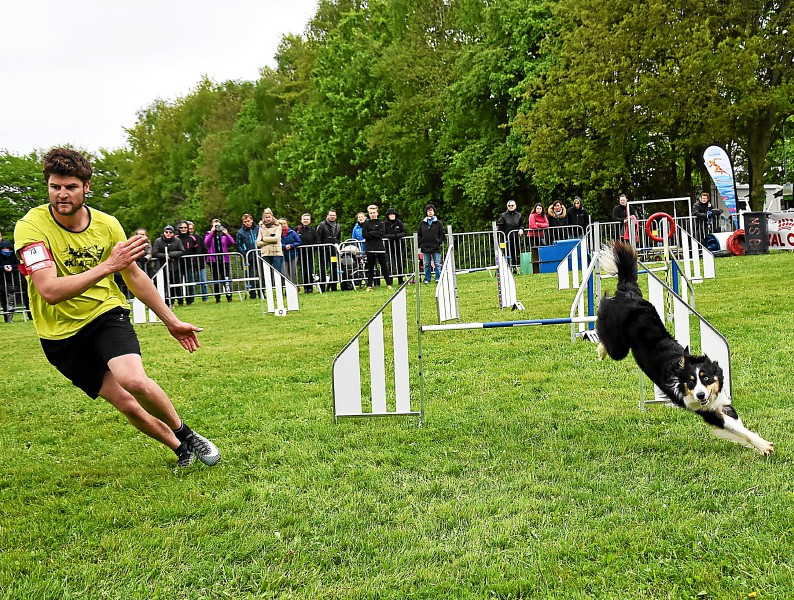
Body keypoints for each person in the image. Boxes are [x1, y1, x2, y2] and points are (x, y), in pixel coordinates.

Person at [13, 147, 219, 469]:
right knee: (126, 403)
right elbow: (50, 291)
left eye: (70, 187)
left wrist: (171, 321)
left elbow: (133, 276)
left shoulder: (108, 225)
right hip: (58, 334)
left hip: (105, 313)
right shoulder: (31, 227)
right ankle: (181, 449)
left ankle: (187, 433)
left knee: (133, 380)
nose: (62, 195)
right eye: (55, 187)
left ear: (86, 187)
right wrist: (108, 266)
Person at [151, 225, 185, 307]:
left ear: (173, 233)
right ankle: (165, 302)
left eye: (170, 232)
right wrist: (165, 256)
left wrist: (171, 255)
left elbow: (182, 251)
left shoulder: (177, 240)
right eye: (166, 232)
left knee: (176, 284)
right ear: (163, 232)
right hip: (162, 267)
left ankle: (180, 301)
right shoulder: (158, 241)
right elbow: (155, 253)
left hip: (175, 266)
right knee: (163, 285)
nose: (168, 234)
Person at [362, 205, 393, 291]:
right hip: (370, 248)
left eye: (374, 213)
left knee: (384, 266)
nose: (372, 214)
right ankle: (369, 285)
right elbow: (365, 235)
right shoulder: (366, 224)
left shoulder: (381, 223)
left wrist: (371, 233)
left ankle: (388, 283)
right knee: (370, 268)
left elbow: (381, 233)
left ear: (377, 213)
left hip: (380, 248)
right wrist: (375, 233)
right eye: (371, 213)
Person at [204, 218, 235, 303]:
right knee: (216, 279)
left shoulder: (224, 236)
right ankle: (217, 297)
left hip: (224, 260)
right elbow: (206, 243)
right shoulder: (208, 235)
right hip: (213, 261)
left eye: (218, 225)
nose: (217, 227)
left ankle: (229, 295)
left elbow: (232, 242)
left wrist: (227, 234)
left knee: (226, 278)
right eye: (215, 225)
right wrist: (212, 232)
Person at [417, 204, 444, 284]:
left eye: (431, 210)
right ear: (426, 212)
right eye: (428, 210)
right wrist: (421, 242)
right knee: (426, 264)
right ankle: (427, 279)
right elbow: (419, 234)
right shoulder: (422, 223)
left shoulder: (438, 223)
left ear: (434, 212)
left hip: (435, 246)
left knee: (437, 263)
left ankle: (438, 278)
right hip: (425, 247)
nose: (430, 212)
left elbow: (442, 234)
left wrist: (439, 241)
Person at [316, 209, 341, 291]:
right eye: (331, 215)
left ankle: (333, 286)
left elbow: (338, 237)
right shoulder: (322, 225)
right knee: (323, 268)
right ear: (327, 216)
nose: (332, 216)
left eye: (334, 215)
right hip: (324, 251)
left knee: (334, 268)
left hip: (333, 251)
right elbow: (318, 237)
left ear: (336, 216)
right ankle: (322, 287)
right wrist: (321, 247)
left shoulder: (338, 225)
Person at [235, 214, 260, 299]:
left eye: (248, 221)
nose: (247, 223)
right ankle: (252, 293)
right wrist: (245, 253)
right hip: (249, 257)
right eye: (245, 222)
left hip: (259, 255)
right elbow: (238, 245)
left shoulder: (258, 229)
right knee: (251, 275)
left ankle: (261, 291)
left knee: (261, 274)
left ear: (252, 220)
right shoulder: (240, 232)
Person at [175, 220, 198, 305]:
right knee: (178, 282)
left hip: (189, 264)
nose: (183, 229)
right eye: (181, 228)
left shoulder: (192, 238)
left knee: (190, 282)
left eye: (185, 227)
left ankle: (190, 300)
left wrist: (194, 262)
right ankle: (180, 300)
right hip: (178, 264)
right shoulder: (176, 238)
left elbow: (195, 250)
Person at [496, 200, 524, 270]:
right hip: (505, 238)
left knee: (515, 253)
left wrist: (521, 229)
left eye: (512, 205)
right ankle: (506, 268)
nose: (511, 207)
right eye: (509, 206)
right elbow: (499, 226)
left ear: (515, 206)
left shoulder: (519, 215)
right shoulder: (503, 216)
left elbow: (522, 224)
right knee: (505, 253)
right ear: (507, 206)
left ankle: (515, 267)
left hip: (515, 238)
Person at [295, 213, 318, 293]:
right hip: (300, 254)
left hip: (310, 253)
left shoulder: (313, 230)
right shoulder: (297, 229)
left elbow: (317, 241)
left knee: (310, 270)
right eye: (304, 219)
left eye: (307, 219)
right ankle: (306, 288)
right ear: (301, 220)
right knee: (303, 271)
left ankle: (310, 287)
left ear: (310, 221)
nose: (306, 220)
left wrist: (313, 248)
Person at [256, 208, 283, 279]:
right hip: (265, 253)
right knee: (267, 274)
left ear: (272, 216)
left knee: (277, 273)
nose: (268, 219)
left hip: (276, 252)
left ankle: (280, 289)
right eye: (266, 217)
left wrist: (264, 239)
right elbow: (258, 242)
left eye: (269, 217)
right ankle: (268, 289)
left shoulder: (278, 225)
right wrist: (269, 241)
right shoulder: (261, 227)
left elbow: (276, 239)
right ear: (263, 218)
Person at [383, 208, 408, 284]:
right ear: (388, 216)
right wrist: (391, 236)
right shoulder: (384, 224)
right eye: (390, 215)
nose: (392, 216)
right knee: (390, 264)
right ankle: (389, 281)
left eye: (393, 214)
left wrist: (397, 235)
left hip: (399, 247)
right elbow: (383, 234)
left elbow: (405, 232)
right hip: (389, 248)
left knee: (400, 264)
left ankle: (400, 280)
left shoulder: (399, 222)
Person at [187, 221, 208, 301]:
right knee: (191, 282)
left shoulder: (199, 238)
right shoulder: (185, 239)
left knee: (203, 281)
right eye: (189, 229)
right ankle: (191, 299)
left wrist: (203, 259)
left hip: (200, 263)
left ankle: (205, 298)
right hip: (189, 264)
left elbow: (204, 249)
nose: (191, 230)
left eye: (192, 229)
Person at [1, 230, 19, 322]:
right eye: (4, 248)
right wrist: (3, 268)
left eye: (7, 248)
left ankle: (9, 317)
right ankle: (8, 317)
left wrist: (11, 267)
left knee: (9, 295)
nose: (6, 250)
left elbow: (18, 264)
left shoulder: (13, 255)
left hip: (10, 279)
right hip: (2, 279)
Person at [279, 217, 302, 282]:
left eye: (284, 223)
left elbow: (299, 242)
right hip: (282, 255)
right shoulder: (277, 233)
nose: (283, 225)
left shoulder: (292, 232)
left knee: (292, 272)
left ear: (287, 224)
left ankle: (290, 289)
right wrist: (284, 246)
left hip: (293, 255)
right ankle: (293, 285)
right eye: (281, 224)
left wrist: (291, 245)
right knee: (284, 272)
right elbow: (276, 242)